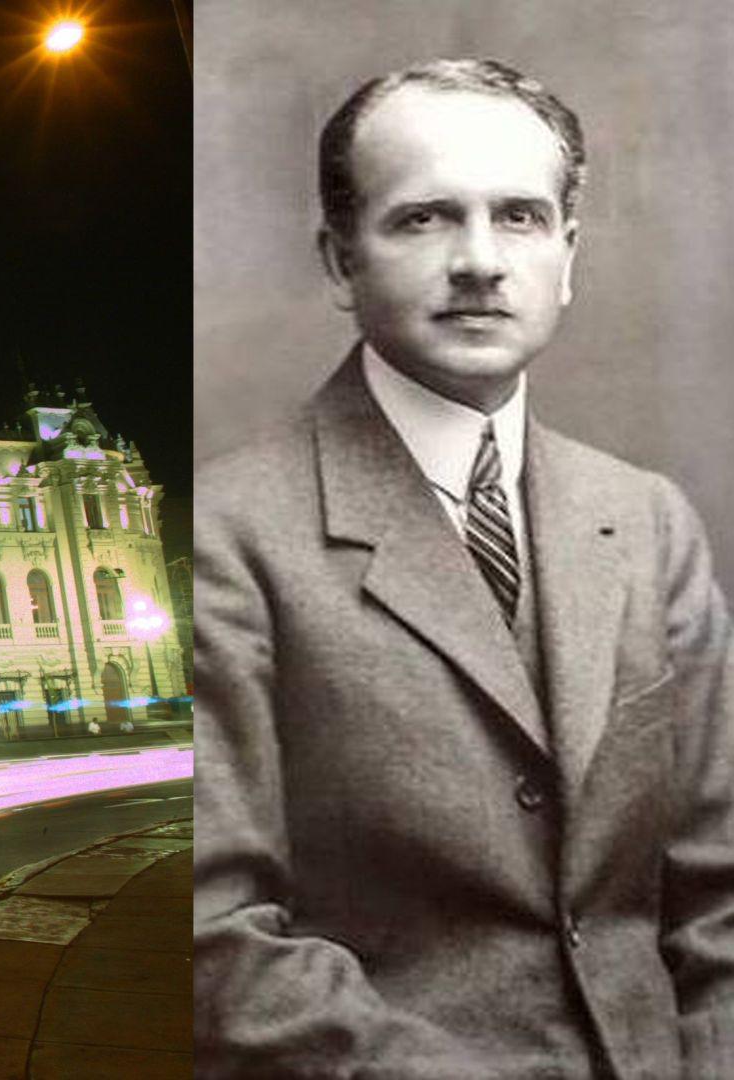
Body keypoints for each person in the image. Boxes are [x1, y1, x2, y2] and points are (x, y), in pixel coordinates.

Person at [194, 58, 734, 1076]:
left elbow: (719, 902)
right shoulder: (233, 531)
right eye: (425, 218)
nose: (480, 261)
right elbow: (215, 944)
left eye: (521, 218)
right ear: (340, 258)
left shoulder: (649, 519)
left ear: (568, 256)